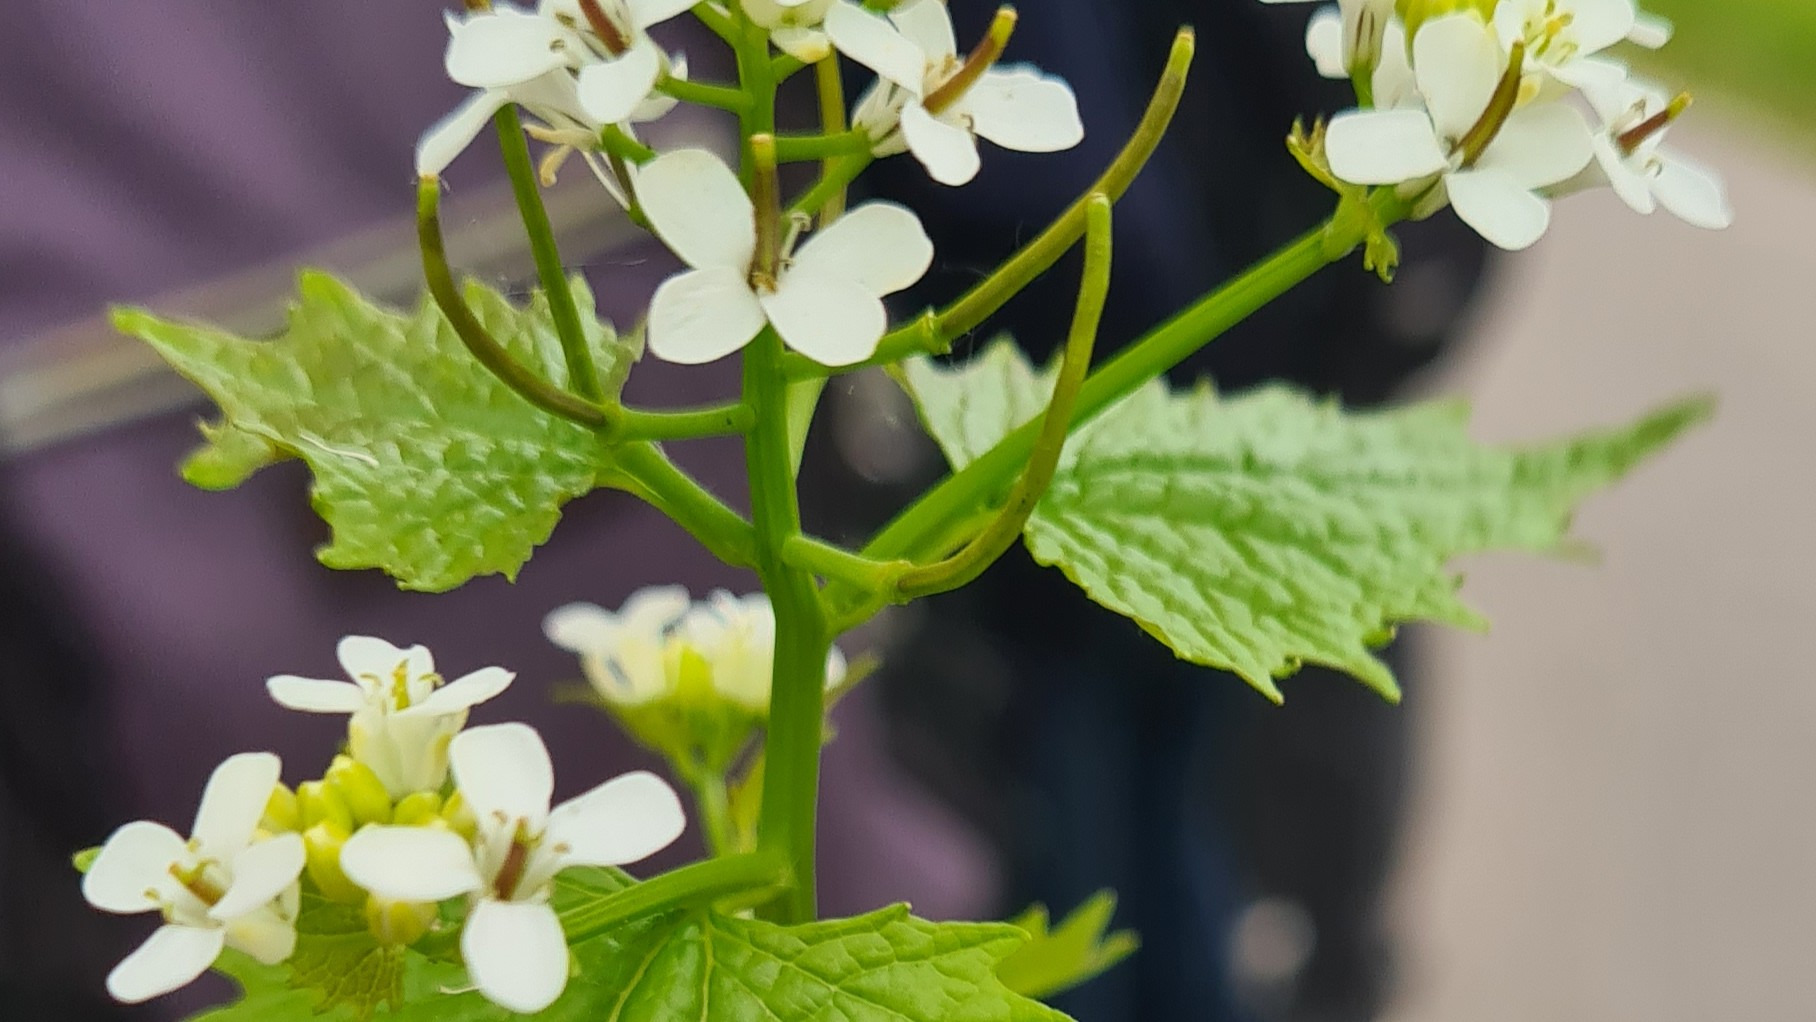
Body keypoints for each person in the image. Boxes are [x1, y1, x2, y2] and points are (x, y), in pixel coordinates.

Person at [803, 2, 1492, 1019]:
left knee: (1134, 832)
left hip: (1124, 462)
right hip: (1122, 462)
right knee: (1124, 836)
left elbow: (1065, 210)